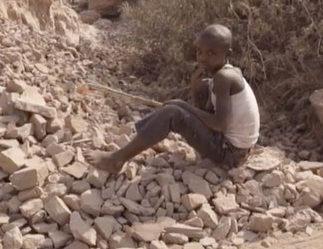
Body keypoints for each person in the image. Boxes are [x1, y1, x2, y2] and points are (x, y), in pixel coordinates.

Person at [88, 24, 260, 174]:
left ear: (227, 53)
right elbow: (205, 116)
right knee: (194, 94)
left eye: (211, 53)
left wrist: (182, 105)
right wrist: (194, 89)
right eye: (199, 52)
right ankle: (138, 140)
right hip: (235, 150)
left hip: (230, 154)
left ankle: (116, 160)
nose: (203, 58)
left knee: (172, 113)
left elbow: (219, 125)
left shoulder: (224, 77)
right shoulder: (225, 74)